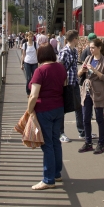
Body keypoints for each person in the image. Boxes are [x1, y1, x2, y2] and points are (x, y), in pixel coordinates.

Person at [27, 43, 67, 190]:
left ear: (40, 55)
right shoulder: (61, 68)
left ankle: (48, 179)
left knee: (47, 144)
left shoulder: (40, 71)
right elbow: (64, 85)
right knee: (56, 141)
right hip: (59, 108)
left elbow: (34, 94)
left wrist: (29, 110)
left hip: (44, 109)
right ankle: (56, 173)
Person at [78, 38, 104, 154]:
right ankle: (88, 142)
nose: (90, 49)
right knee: (85, 118)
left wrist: (95, 71)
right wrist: (82, 70)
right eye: (90, 47)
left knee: (99, 118)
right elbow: (79, 74)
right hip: (86, 90)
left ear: (99, 48)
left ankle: (101, 144)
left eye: (93, 47)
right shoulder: (88, 58)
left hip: (98, 91)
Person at [58, 30, 85, 142]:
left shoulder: (74, 51)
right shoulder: (64, 52)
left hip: (74, 83)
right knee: (62, 109)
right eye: (77, 38)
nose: (78, 40)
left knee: (78, 107)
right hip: (65, 85)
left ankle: (82, 131)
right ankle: (61, 133)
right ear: (74, 39)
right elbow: (59, 68)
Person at [21, 32, 38, 97]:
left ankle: (33, 91)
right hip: (27, 62)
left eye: (31, 36)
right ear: (27, 37)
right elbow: (23, 55)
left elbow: (37, 54)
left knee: (34, 78)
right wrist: (21, 64)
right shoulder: (25, 45)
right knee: (28, 78)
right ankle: (28, 91)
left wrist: (38, 62)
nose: (30, 38)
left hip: (34, 62)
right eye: (29, 36)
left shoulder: (35, 44)